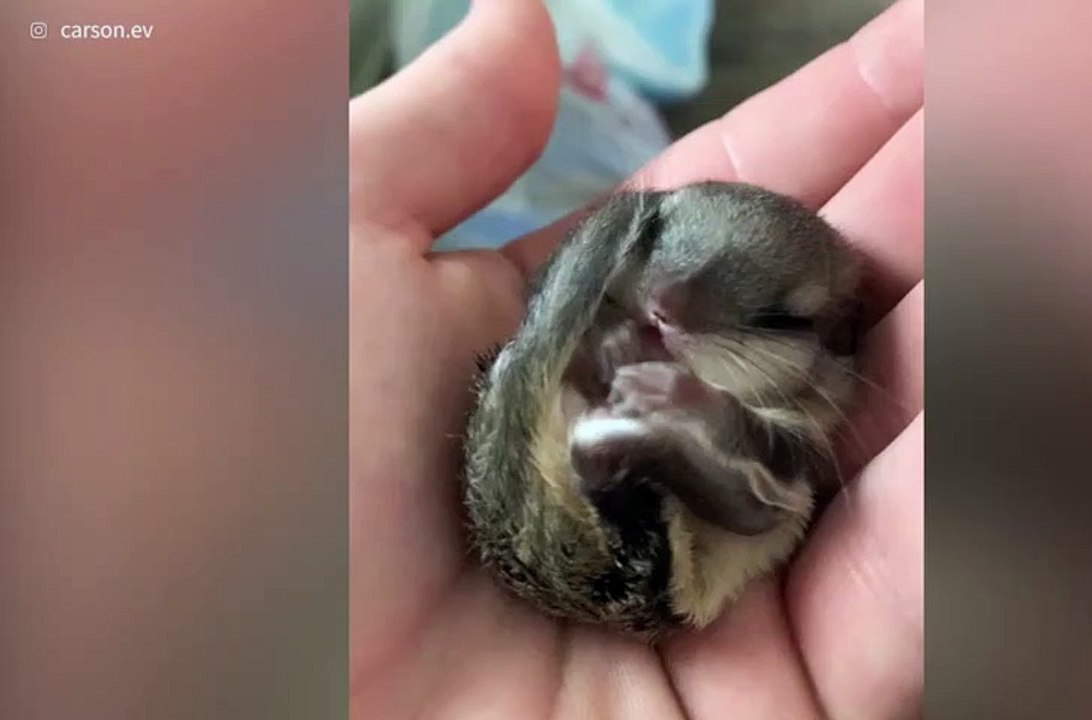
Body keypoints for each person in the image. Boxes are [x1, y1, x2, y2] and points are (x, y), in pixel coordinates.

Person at [349, 0, 924, 716]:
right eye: (657, 247)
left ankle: (615, 459)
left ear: (829, 339)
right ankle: (605, 446)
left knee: (772, 494)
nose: (669, 309)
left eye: (762, 315)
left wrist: (691, 413)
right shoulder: (618, 304)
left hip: (648, 546)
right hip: (529, 486)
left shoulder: (802, 397)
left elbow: (754, 506)